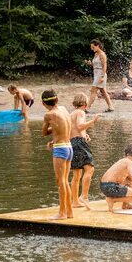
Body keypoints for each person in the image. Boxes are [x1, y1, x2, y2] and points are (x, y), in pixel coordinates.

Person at [41, 90, 74, 220]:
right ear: (57, 100)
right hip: (69, 147)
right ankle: (69, 212)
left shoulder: (49, 115)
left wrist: (52, 130)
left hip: (60, 149)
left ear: (43, 103)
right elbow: (65, 127)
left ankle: (62, 213)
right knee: (65, 181)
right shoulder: (64, 109)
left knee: (60, 182)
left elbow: (44, 132)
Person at [68, 92, 102, 208]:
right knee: (90, 168)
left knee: (77, 174)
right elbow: (79, 126)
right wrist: (93, 121)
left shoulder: (71, 113)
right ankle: (84, 196)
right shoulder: (81, 112)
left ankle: (75, 202)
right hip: (79, 144)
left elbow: (74, 129)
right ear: (84, 103)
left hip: (72, 142)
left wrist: (85, 134)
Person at [98, 146, 132, 212]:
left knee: (128, 181)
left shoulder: (122, 161)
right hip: (110, 186)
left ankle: (126, 205)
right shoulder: (129, 162)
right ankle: (112, 200)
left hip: (104, 187)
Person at [90, 40, 114, 111]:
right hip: (96, 73)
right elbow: (95, 65)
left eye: (93, 47)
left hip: (100, 74)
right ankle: (111, 107)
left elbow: (104, 66)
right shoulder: (96, 54)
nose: (92, 49)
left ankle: (87, 107)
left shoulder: (102, 54)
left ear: (97, 46)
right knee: (103, 91)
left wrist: (102, 76)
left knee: (93, 91)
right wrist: (89, 63)